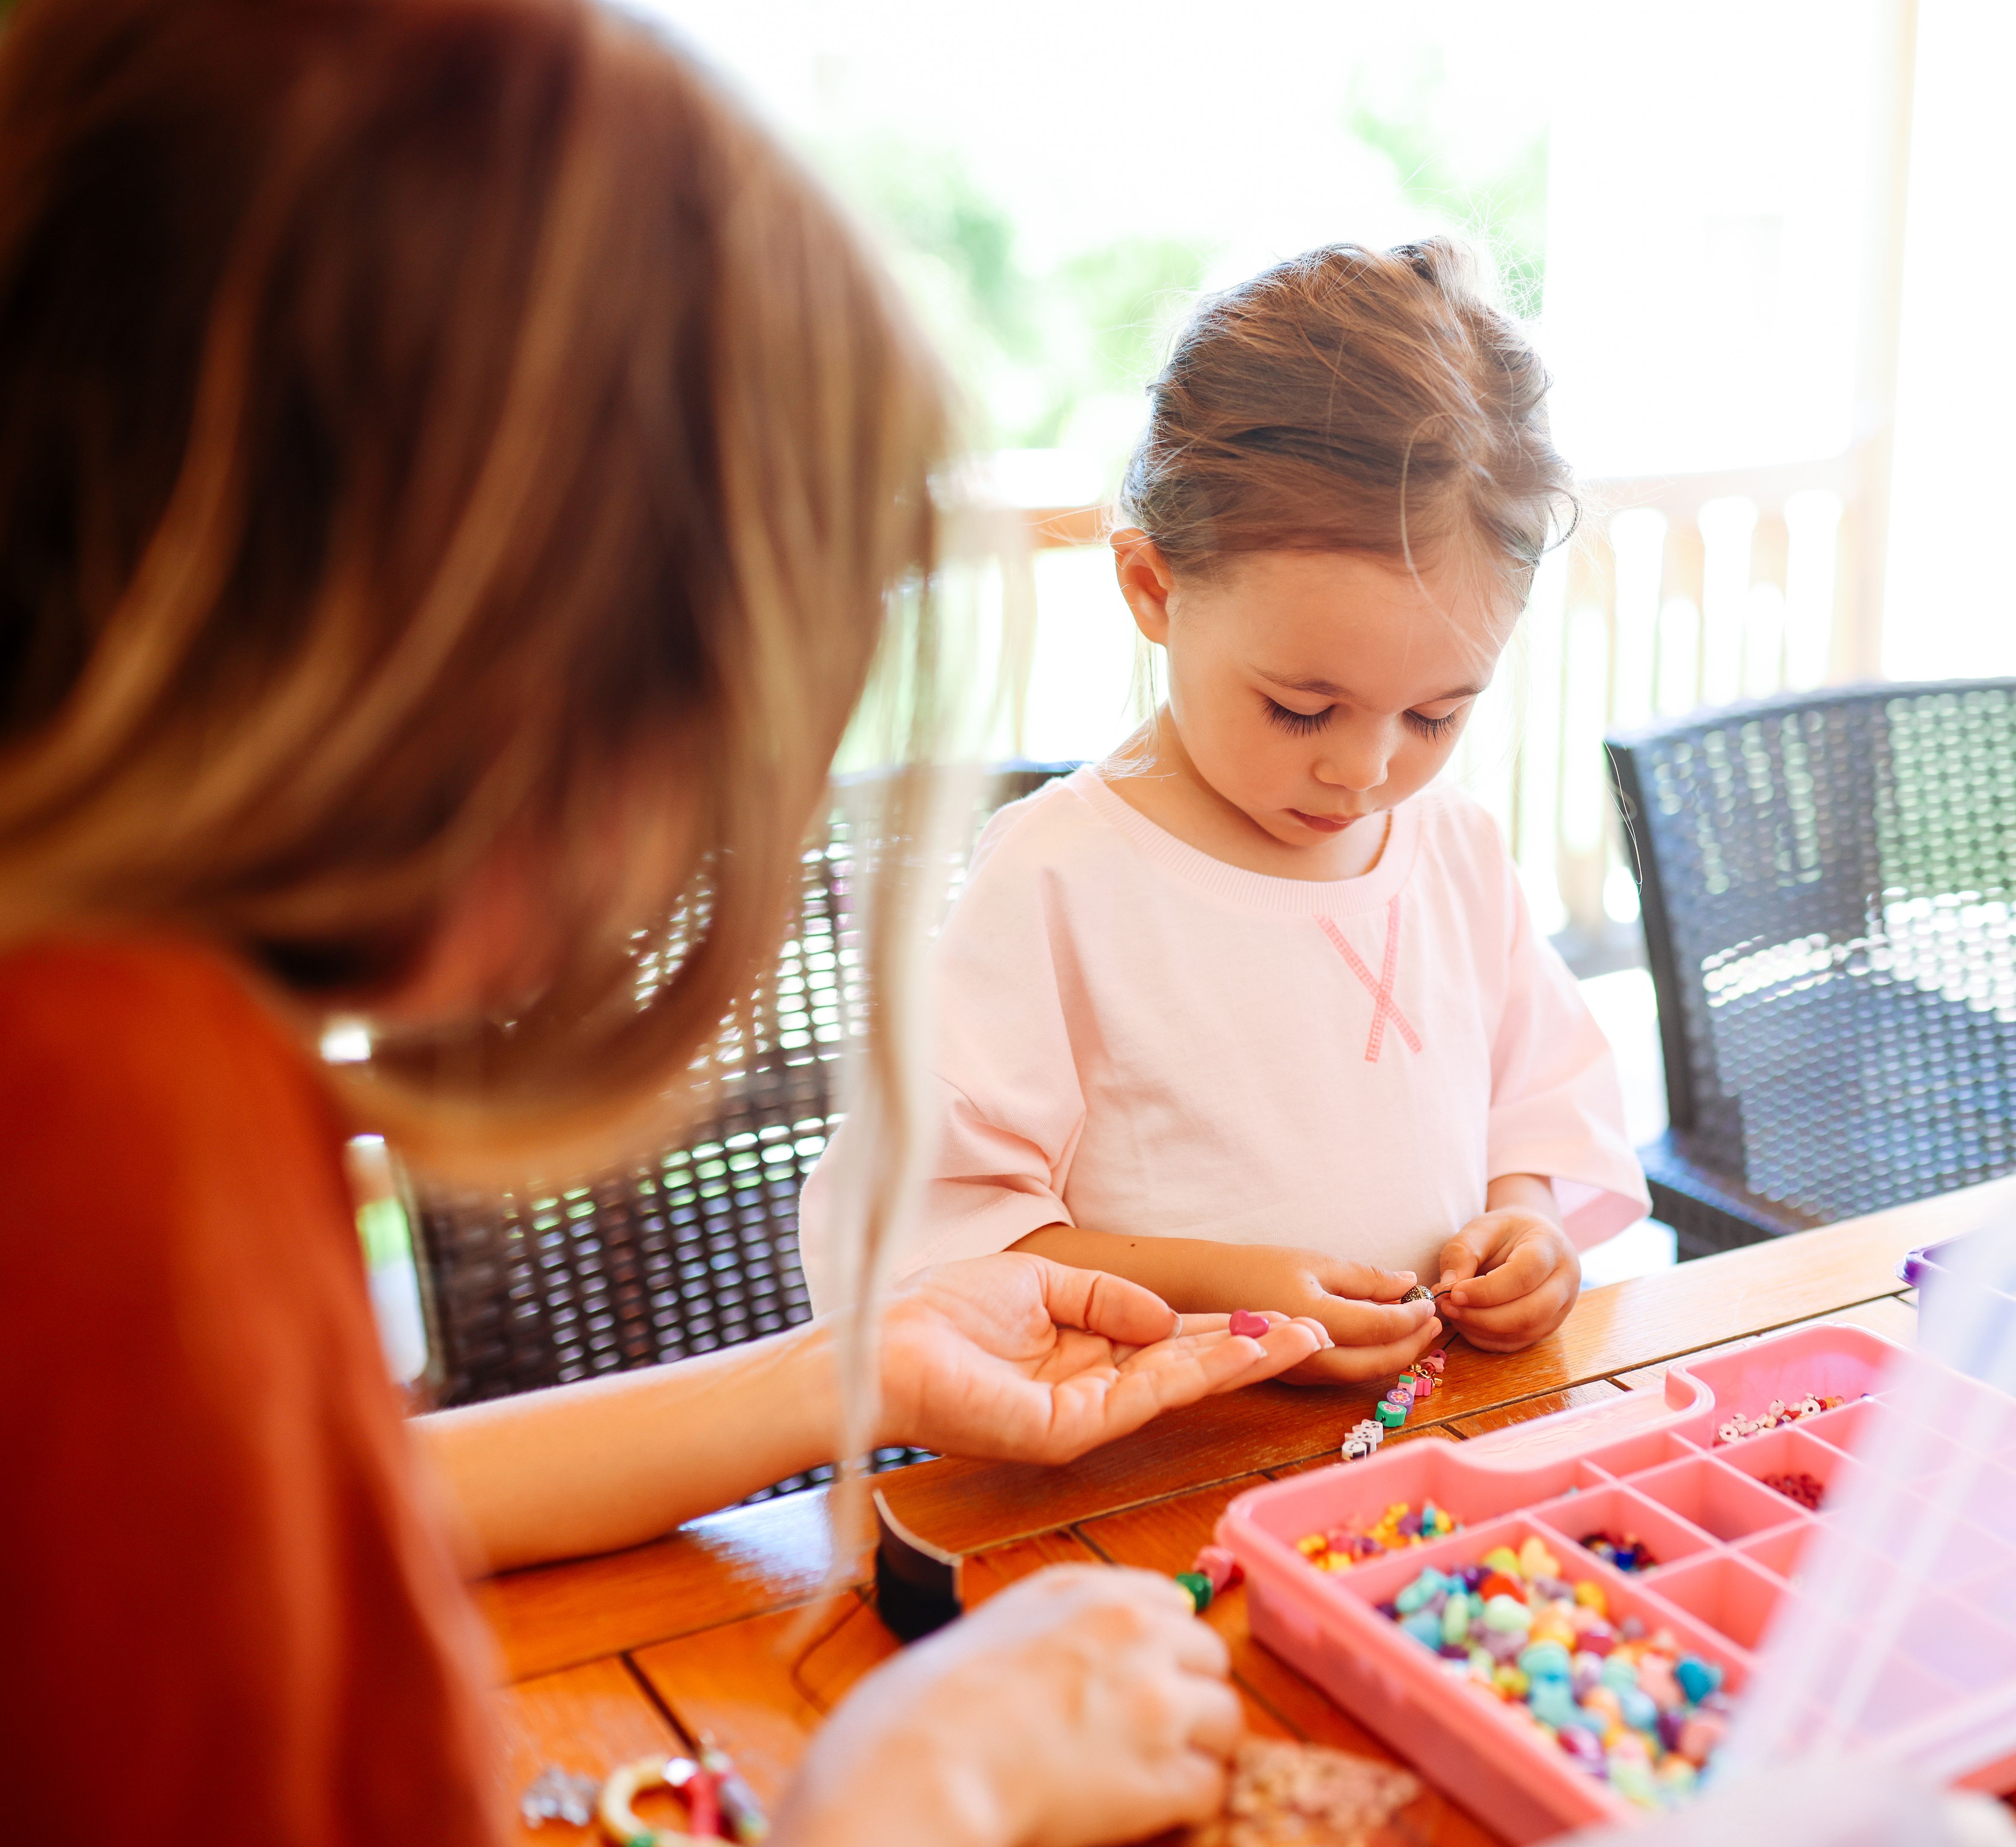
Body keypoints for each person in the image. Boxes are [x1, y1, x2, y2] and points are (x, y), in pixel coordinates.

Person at [0, 0, 1329, 1841]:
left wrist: (854, 1371)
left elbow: (316, 1500)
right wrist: (900, 1800)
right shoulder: (101, 1114)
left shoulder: (131, 1049)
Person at [800, 244, 1652, 1384]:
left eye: (1437, 715)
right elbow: (932, 1236)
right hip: (1158, 1464)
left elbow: (1538, 1101)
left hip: (1422, 1450)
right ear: (1155, 589)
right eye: (1303, 708)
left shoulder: (1452, 846)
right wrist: (1224, 1293)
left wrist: (1530, 1225)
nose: (1364, 770)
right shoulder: (1065, 879)